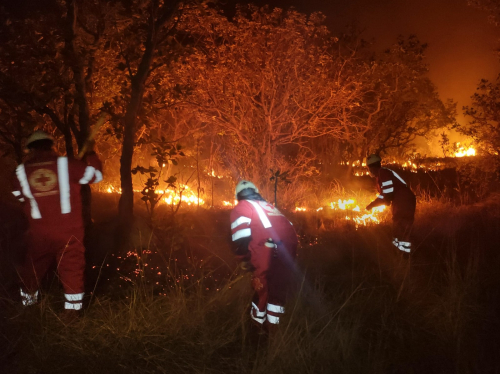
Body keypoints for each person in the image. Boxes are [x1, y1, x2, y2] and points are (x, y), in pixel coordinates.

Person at [11, 130, 103, 320]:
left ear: (30, 150)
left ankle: (27, 309)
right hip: (69, 233)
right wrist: (91, 154)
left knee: (32, 269)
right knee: (72, 270)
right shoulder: (68, 165)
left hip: (39, 233)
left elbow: (19, 196)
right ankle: (71, 313)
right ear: (51, 145)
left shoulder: (20, 172)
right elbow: (96, 176)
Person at [230, 180, 298, 329]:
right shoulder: (268, 206)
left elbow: (241, 238)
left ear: (238, 195)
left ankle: (257, 329)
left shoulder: (242, 207)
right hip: (288, 252)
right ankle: (275, 332)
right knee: (277, 290)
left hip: (266, 251)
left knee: (260, 288)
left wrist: (243, 258)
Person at [365, 154, 416, 254]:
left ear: (371, 167)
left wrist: (386, 201)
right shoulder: (381, 175)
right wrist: (372, 205)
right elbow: (383, 195)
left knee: (401, 227)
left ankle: (405, 254)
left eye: (368, 168)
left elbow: (388, 192)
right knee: (400, 228)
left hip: (403, 201)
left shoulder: (383, 172)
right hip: (401, 200)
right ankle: (403, 252)